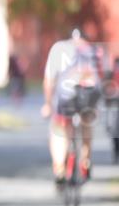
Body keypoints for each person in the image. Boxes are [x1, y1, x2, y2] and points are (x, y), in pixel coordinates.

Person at [41, 28, 106, 190]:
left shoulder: (58, 48)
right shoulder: (95, 50)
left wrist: (48, 104)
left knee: (59, 128)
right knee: (87, 121)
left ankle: (59, 169)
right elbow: (102, 79)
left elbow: (49, 80)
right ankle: (86, 161)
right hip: (90, 94)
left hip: (67, 94)